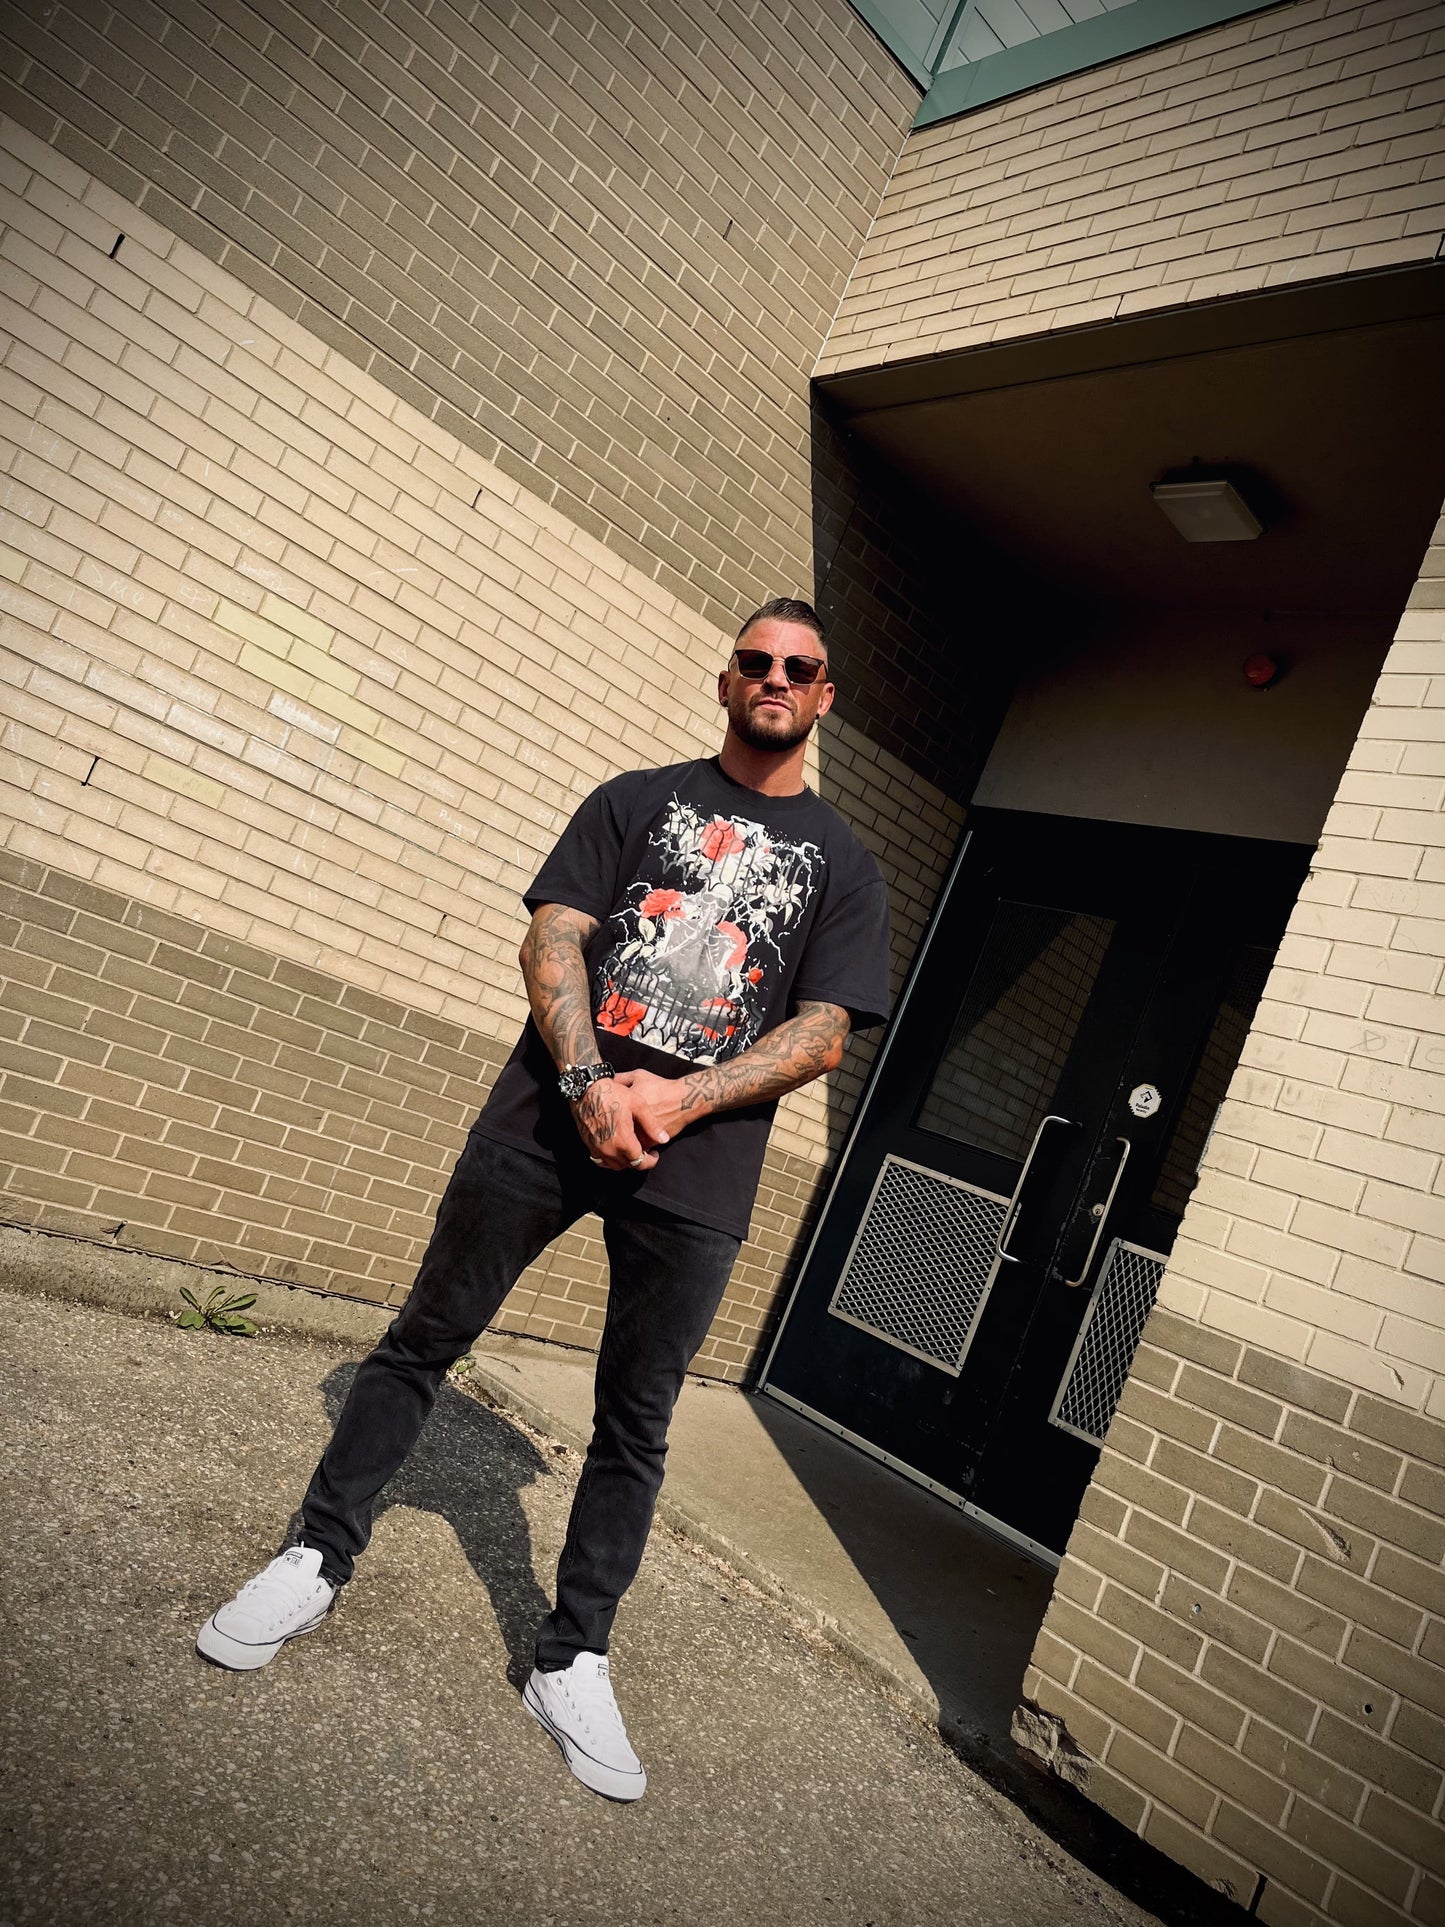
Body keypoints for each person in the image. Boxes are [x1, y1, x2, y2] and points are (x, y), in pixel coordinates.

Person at [196, 597, 891, 1802]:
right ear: (725, 681)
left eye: (800, 668)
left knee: (637, 1419)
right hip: (540, 1127)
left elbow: (823, 1030)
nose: (773, 678)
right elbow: (554, 940)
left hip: (699, 1168)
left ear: (824, 696)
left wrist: (668, 1105)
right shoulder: (631, 798)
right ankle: (313, 1555)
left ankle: (571, 1658)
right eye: (754, 661)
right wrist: (586, 1087)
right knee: (425, 1337)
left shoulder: (843, 861)